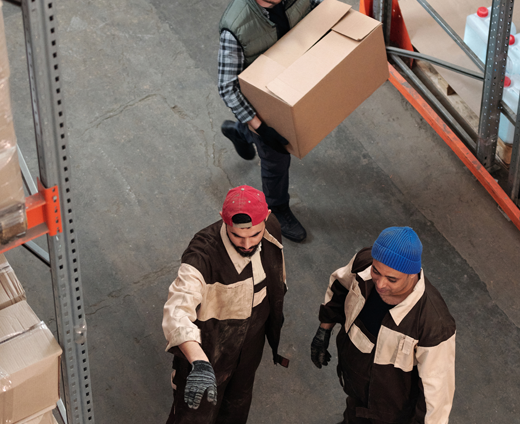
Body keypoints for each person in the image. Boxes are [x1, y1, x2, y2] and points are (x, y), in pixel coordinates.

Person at [162, 185, 289, 424]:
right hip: (209, 354)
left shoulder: (271, 229)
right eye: (237, 236)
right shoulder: (202, 257)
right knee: (193, 417)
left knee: (236, 409)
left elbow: (277, 278)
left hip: (250, 349)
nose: (247, 244)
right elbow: (176, 312)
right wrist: (199, 363)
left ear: (267, 216)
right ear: (223, 221)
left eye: (254, 235)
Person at [311, 227, 456, 424]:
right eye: (377, 272)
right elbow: (339, 286)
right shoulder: (364, 263)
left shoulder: (434, 324)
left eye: (392, 279)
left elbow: (435, 396)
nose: (380, 284)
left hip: (391, 415)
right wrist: (324, 329)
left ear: (412, 274)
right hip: (356, 395)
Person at [217, 0, 323, 243]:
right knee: (276, 159)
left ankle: (240, 132)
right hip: (263, 103)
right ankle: (277, 209)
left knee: (264, 140)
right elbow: (227, 87)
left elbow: (320, 10)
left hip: (292, 79)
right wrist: (261, 128)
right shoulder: (235, 27)